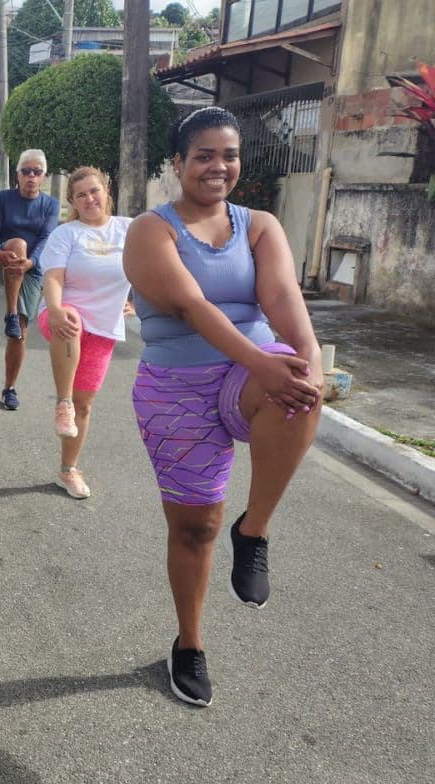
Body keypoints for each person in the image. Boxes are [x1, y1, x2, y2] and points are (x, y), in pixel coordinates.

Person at [123, 106, 323, 708]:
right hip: (175, 387)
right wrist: (262, 360)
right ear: (178, 163)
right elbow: (190, 305)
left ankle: (254, 529)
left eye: (229, 155)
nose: (218, 166)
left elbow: (282, 297)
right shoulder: (150, 230)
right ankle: (189, 644)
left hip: (248, 374)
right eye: (204, 155)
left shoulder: (259, 226)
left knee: (298, 386)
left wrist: (308, 358)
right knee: (195, 527)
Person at [37, 167, 134, 500]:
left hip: (103, 326)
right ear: (73, 202)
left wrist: (136, 302)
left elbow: (153, 266)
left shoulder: (129, 228)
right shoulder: (66, 234)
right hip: (61, 316)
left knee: (86, 405)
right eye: (81, 195)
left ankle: (68, 470)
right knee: (71, 320)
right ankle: (62, 403)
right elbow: (53, 277)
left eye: (94, 191)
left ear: (107, 191)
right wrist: (54, 308)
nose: (89, 198)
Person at [0, 149, 60, 411]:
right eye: (26, 171)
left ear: (43, 176)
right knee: (18, 243)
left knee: (19, 334)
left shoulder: (50, 204)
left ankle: (9, 388)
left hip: (31, 267)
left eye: (37, 172)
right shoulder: (2, 198)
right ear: (17, 174)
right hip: (1, 259)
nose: (31, 176)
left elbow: (46, 238)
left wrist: (31, 262)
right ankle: (10, 312)